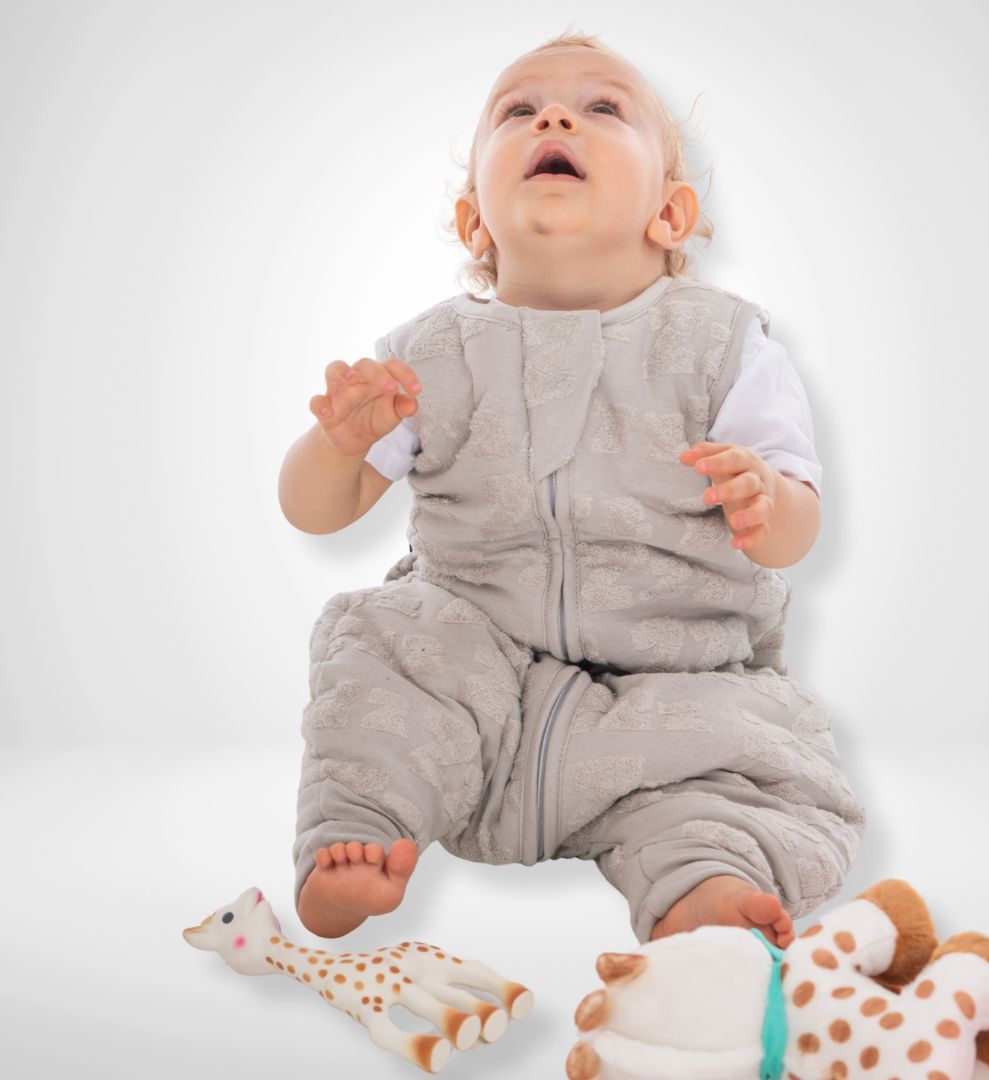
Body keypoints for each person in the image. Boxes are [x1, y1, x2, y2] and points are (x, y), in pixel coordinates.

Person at [277, 29, 864, 947]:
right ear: (475, 222)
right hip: (473, 684)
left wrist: (766, 500)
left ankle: (702, 881)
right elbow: (315, 512)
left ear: (669, 213)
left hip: (675, 689)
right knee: (380, 641)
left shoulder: (721, 347)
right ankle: (362, 822)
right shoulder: (429, 357)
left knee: (742, 756)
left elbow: (798, 527)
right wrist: (335, 445)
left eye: (602, 108)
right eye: (519, 110)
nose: (553, 116)